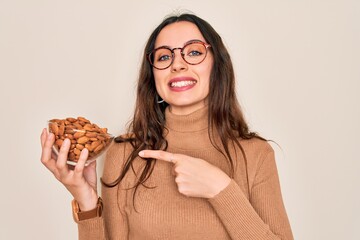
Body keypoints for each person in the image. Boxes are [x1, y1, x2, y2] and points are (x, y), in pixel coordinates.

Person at [40, 13, 294, 240]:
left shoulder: (255, 154)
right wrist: (86, 202)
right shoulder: (125, 153)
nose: (177, 64)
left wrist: (220, 189)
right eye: (164, 56)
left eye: (194, 52)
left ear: (217, 65)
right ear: (153, 75)